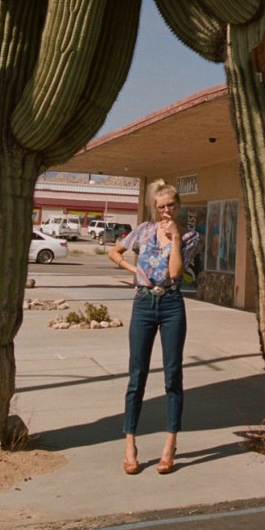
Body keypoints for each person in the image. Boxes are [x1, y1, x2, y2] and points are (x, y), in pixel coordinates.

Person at [108, 180, 201, 475]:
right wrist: (134, 269)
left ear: (178, 206)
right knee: (137, 375)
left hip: (171, 302)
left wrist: (174, 238)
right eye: (161, 207)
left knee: (173, 374)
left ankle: (169, 443)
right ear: (155, 208)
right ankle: (129, 443)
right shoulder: (144, 230)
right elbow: (115, 252)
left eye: (170, 206)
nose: (165, 211)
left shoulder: (190, 237)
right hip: (144, 303)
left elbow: (175, 272)